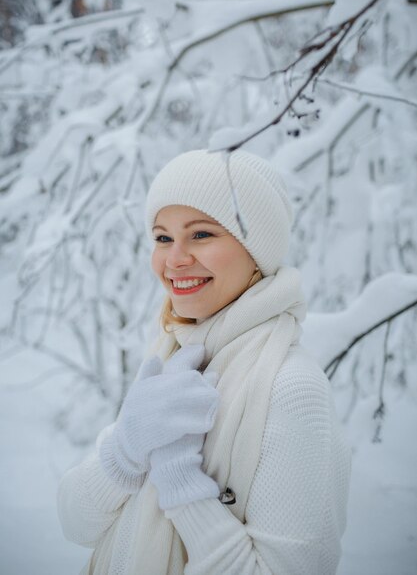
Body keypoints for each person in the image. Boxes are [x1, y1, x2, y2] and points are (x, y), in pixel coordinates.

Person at [57, 149, 352, 575]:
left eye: (201, 235)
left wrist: (184, 485)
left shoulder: (289, 388)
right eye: (162, 237)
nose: (174, 259)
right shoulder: (174, 355)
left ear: (257, 249)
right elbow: (75, 522)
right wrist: (125, 448)